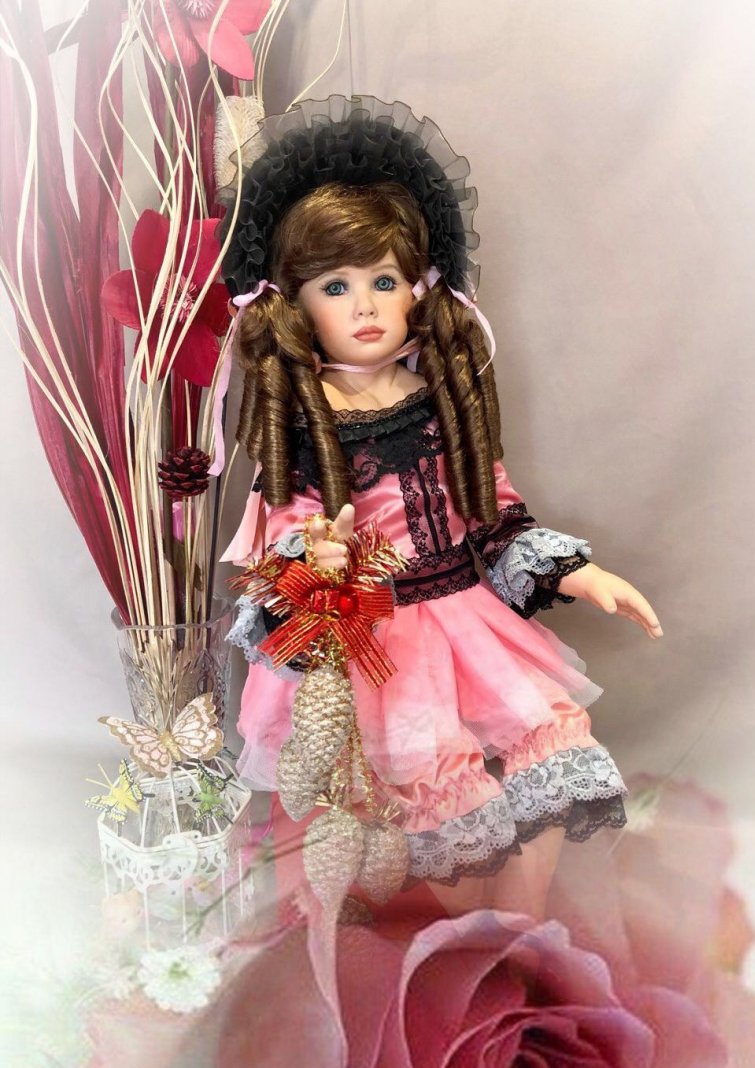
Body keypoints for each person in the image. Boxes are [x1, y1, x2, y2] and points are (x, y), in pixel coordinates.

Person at [217, 97, 662, 918]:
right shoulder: (304, 419)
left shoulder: (439, 400)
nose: (364, 306)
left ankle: (518, 921)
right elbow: (278, 533)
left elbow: (493, 511)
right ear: (296, 303)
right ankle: (435, 932)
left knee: (552, 739)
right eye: (336, 286)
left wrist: (580, 574)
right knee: (427, 792)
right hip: (379, 641)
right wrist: (316, 558)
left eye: (383, 281)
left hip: (466, 617)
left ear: (418, 290)